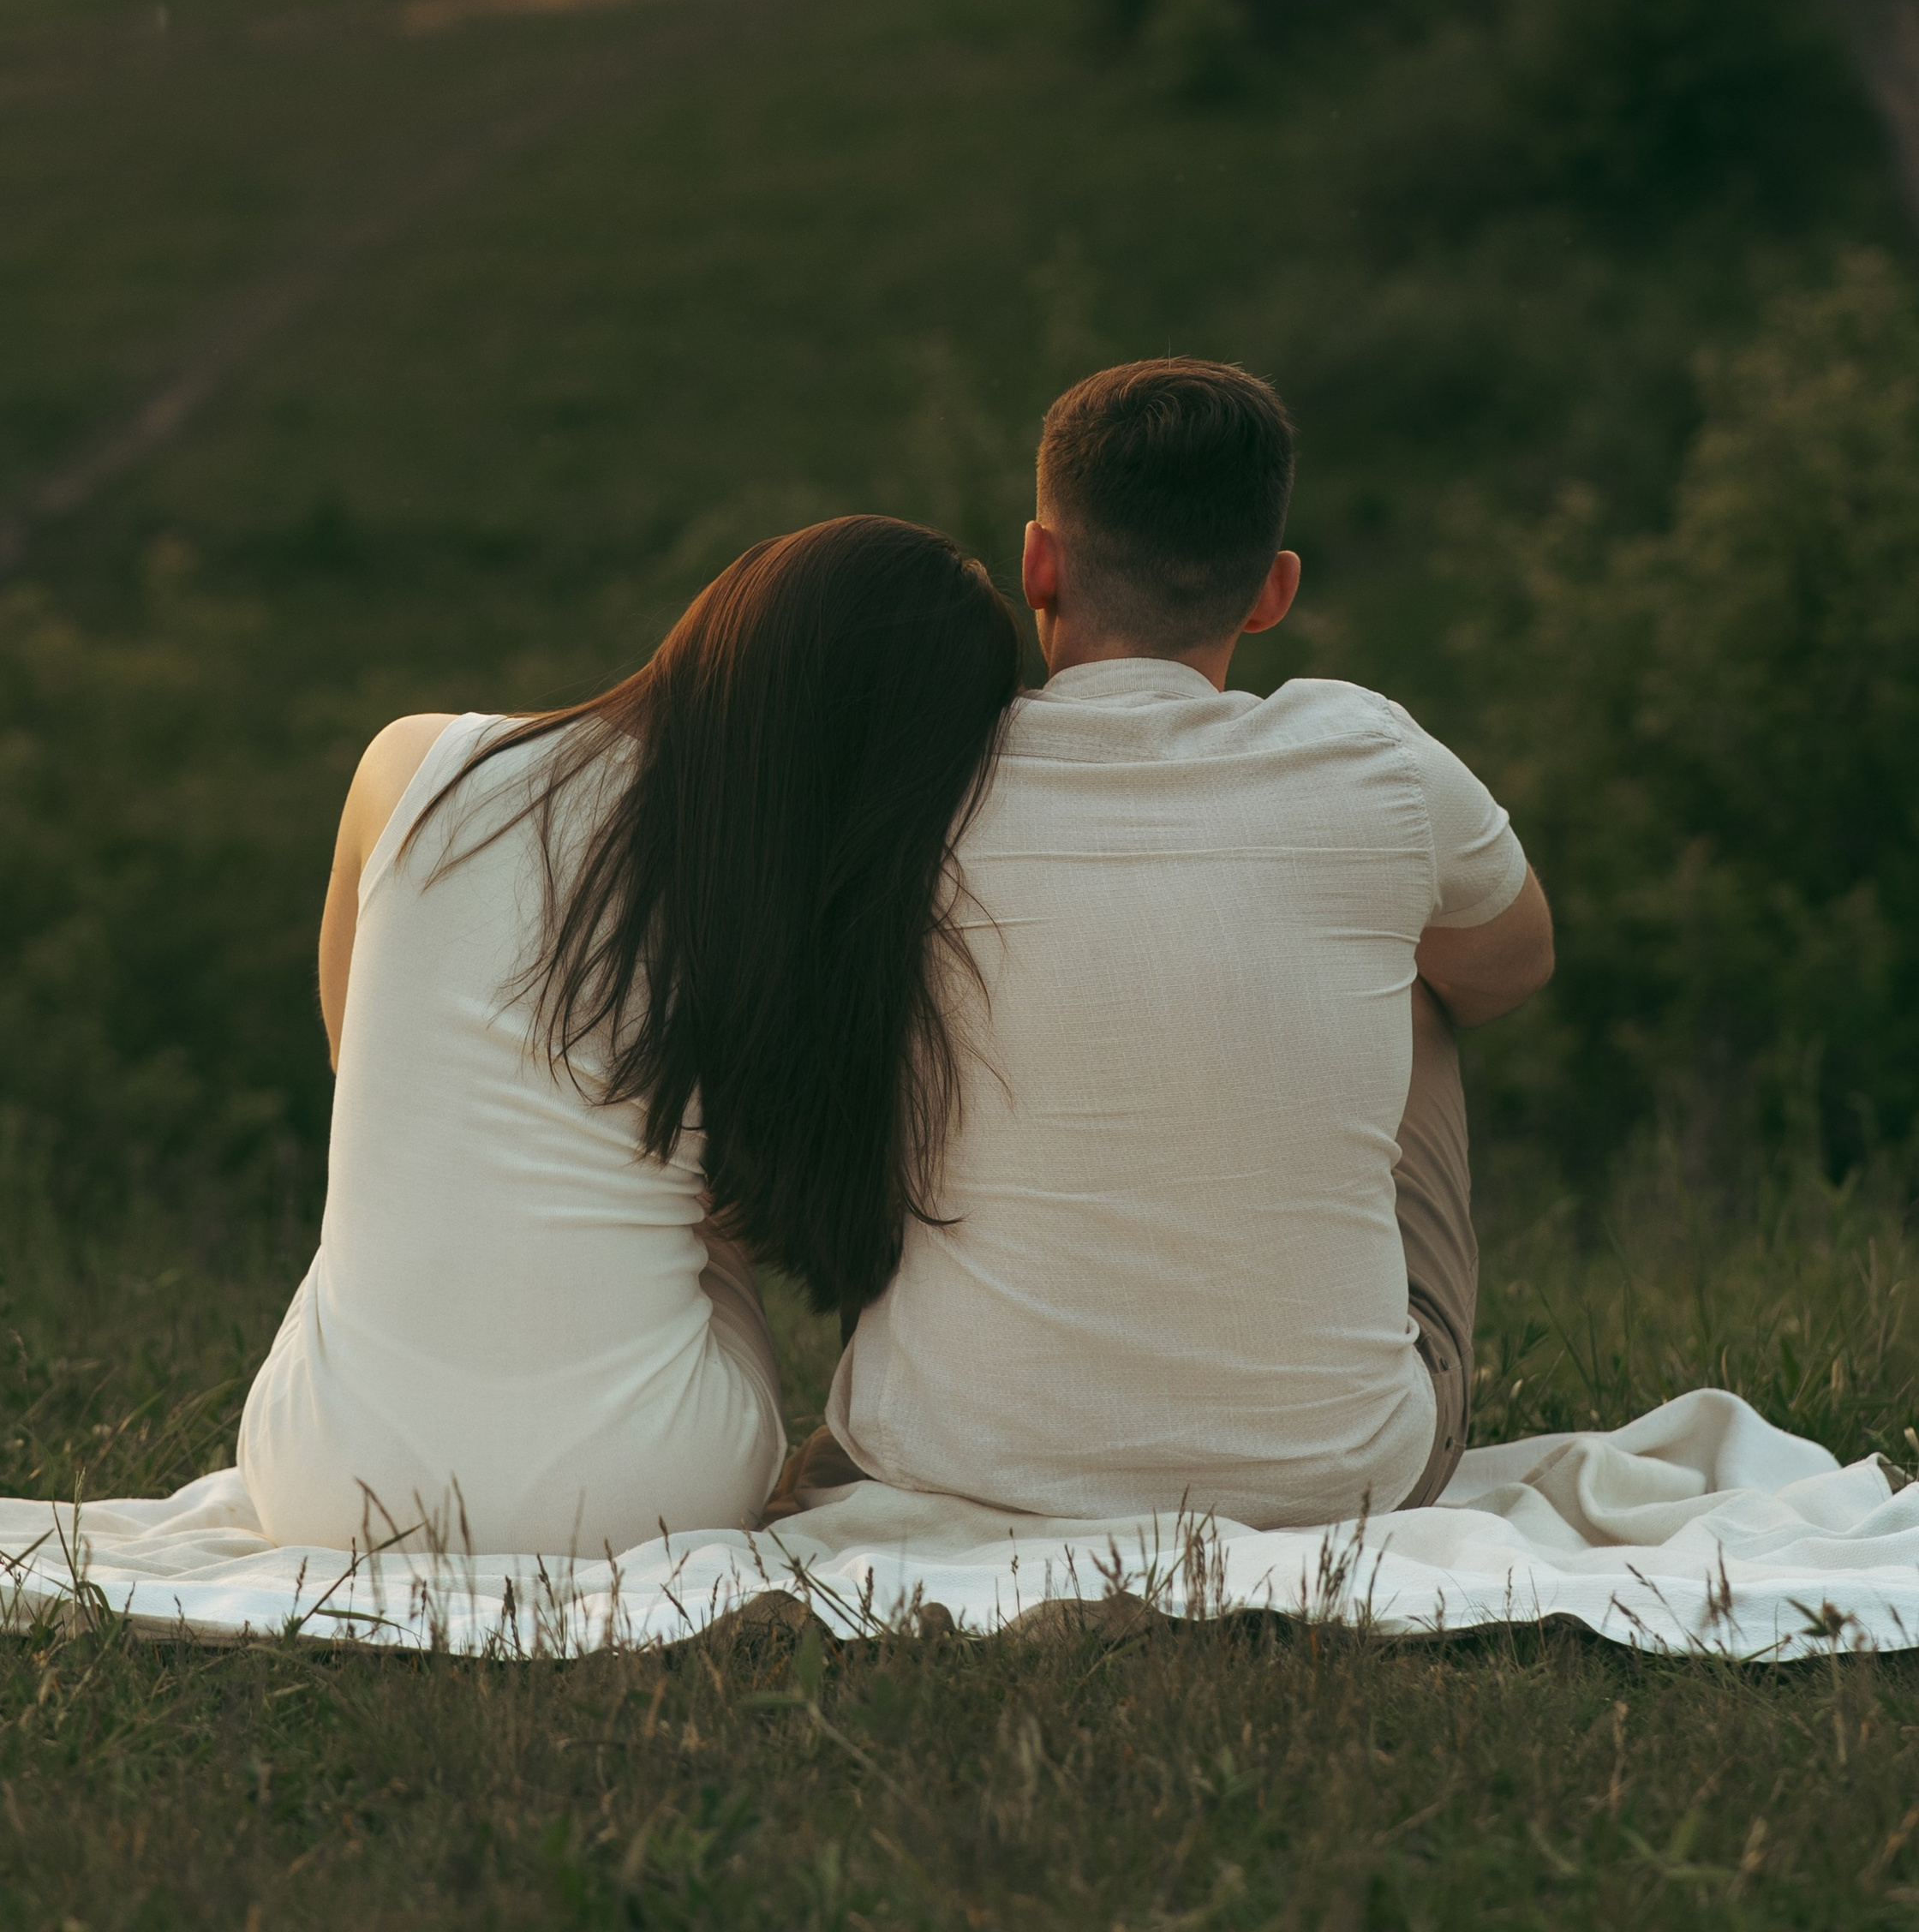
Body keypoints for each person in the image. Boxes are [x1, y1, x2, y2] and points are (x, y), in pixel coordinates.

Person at [778, 357, 1554, 1531]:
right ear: (1271, 592)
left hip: (951, 1458)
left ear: (1039, 562)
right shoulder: (1371, 754)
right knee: (1421, 985)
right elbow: (1512, 969)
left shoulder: (922, 780)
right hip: (1335, 1476)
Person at [240, 514, 1021, 1558]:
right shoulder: (794, 913)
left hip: (319, 1481)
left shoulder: (414, 763)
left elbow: (358, 1057)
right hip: (642, 1495)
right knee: (695, 1208)